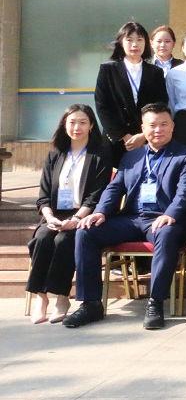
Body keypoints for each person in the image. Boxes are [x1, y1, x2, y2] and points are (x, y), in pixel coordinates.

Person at [64, 103, 186, 329]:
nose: (158, 130)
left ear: (172, 127)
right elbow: (115, 188)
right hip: (131, 218)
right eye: (152, 125)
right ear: (143, 129)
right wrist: (100, 212)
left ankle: (155, 302)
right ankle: (91, 304)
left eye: (164, 124)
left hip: (165, 219)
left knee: (166, 234)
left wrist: (170, 214)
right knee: (86, 232)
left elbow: (185, 192)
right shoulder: (131, 157)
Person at [28, 105, 111, 324]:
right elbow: (43, 194)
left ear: (91, 126)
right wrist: (49, 217)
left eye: (83, 122)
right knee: (42, 238)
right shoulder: (55, 154)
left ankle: (62, 297)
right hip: (54, 214)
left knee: (64, 240)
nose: (77, 127)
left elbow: (96, 195)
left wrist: (76, 219)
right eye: (72, 122)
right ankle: (41, 297)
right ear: (64, 125)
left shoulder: (100, 155)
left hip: (83, 214)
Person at [94, 22, 169, 166]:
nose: (135, 44)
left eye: (139, 40)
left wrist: (144, 135)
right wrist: (124, 136)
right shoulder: (107, 70)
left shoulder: (155, 72)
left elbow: (161, 105)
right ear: (121, 43)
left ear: (146, 43)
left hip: (147, 139)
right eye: (129, 40)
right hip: (115, 141)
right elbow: (102, 106)